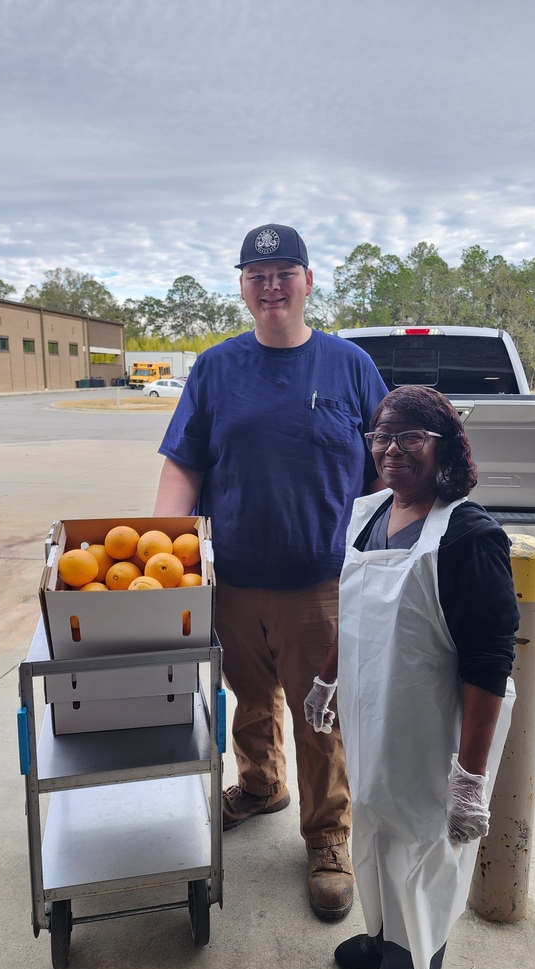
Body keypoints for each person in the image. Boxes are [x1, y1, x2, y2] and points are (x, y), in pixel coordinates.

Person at [153, 223, 388, 920]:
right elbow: (185, 462)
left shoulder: (348, 366)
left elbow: (388, 464)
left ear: (309, 282)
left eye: (285, 271)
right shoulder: (217, 367)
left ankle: (327, 837)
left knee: (321, 715)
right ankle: (261, 787)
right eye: (258, 275)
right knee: (250, 697)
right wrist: (170, 554)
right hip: (234, 578)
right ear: (244, 288)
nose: (271, 285)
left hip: (321, 583)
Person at [305, 385, 519, 969]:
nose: (392, 449)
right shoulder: (371, 512)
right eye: (382, 436)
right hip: (373, 723)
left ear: (445, 447)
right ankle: (386, 941)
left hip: (430, 736)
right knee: (372, 829)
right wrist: (327, 679)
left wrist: (470, 778)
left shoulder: (467, 536)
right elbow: (355, 609)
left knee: (422, 856)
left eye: (410, 438)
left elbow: (488, 663)